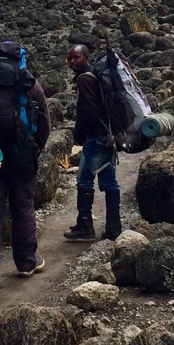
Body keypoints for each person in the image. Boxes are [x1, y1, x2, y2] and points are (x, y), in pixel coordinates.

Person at [0, 41, 51, 294]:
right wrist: (34, 147)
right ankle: (26, 262)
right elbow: (44, 123)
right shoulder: (28, 84)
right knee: (23, 207)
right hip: (22, 153)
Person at [64, 44, 121, 241]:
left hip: (95, 137)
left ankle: (85, 227)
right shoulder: (96, 76)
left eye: (76, 57)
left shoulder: (85, 79)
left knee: (84, 181)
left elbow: (88, 111)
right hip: (108, 135)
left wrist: (79, 136)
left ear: (86, 58)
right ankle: (114, 228)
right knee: (109, 181)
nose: (72, 61)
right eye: (70, 58)